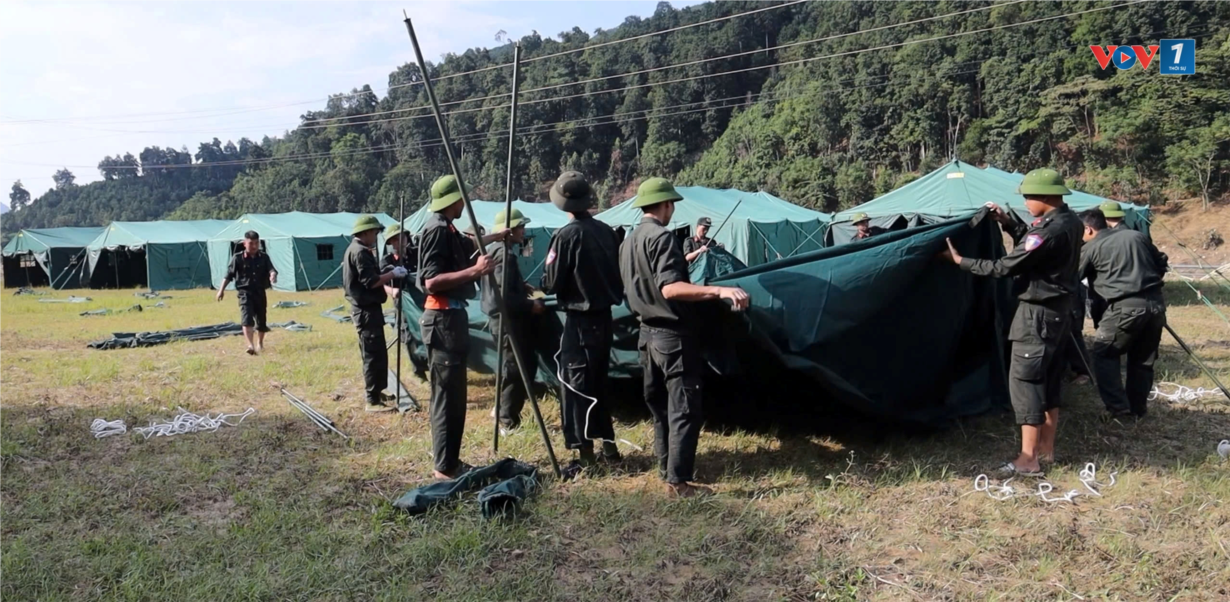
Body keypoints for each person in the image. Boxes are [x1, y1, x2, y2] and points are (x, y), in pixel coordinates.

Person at [939, 168, 1083, 478]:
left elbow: (1006, 266)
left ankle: (1027, 459)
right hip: (1059, 312)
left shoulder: (1048, 231)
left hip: (1038, 315)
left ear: (1044, 197)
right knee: (1049, 379)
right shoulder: (1070, 222)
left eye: (1028, 198)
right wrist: (1008, 222)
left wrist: (960, 262)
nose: (1026, 203)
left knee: (1026, 382)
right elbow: (1033, 250)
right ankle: (1046, 449)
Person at [619, 177, 751, 497]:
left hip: (646, 337)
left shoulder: (628, 241)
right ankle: (677, 484)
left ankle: (666, 467)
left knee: (661, 408)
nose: (672, 210)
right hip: (672, 337)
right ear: (666, 205)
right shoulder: (662, 239)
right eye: (672, 205)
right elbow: (671, 287)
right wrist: (718, 290)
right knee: (684, 408)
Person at [418, 175, 505, 479]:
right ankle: (444, 468)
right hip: (442, 320)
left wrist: (497, 236)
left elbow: (467, 243)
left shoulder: (449, 229)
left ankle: (451, 462)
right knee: (446, 399)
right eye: (462, 198)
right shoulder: (436, 229)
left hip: (452, 320)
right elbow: (431, 281)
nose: (465, 203)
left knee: (455, 398)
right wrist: (476, 270)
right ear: (454, 200)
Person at [542, 172, 625, 466]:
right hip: (605, 319)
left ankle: (585, 454)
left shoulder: (565, 236)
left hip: (579, 321)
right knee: (600, 383)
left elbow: (551, 281)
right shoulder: (607, 231)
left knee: (576, 387)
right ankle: (610, 448)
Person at [1079, 208, 1168, 418]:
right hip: (1156, 303)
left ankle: (1119, 409)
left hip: (1125, 306)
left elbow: (1070, 277)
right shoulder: (1137, 236)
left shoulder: (1091, 247)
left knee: (1103, 351)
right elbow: (1161, 261)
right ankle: (1138, 409)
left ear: (1088, 229)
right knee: (1142, 359)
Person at [482, 207, 543, 432]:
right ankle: (507, 420)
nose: (523, 231)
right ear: (509, 230)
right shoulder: (504, 253)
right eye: (520, 227)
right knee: (516, 370)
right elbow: (504, 297)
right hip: (508, 321)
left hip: (502, 320)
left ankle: (501, 409)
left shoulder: (497, 250)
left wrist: (520, 285)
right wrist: (531, 304)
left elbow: (504, 286)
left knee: (512, 368)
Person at [343, 215, 404, 413]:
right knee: (372, 355)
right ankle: (372, 399)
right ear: (367, 232)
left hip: (370, 309)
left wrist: (386, 271)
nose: (376, 236)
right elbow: (370, 281)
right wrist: (392, 274)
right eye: (375, 233)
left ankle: (377, 391)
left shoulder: (357, 249)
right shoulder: (360, 251)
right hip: (365, 310)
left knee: (379, 352)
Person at [217, 230, 277, 355]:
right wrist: (221, 290)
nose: (254, 246)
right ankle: (250, 345)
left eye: (256, 243)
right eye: (251, 243)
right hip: (245, 293)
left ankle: (260, 343)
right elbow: (228, 275)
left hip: (260, 292)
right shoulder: (238, 258)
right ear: (244, 243)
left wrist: (273, 275)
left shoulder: (264, 257)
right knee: (246, 318)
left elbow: (272, 269)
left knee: (261, 320)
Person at [381, 223, 428, 381]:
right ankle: (419, 370)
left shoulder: (416, 254)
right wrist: (392, 291)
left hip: (422, 300)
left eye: (402, 238)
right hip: (403, 303)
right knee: (408, 335)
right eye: (395, 240)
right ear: (390, 243)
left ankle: (429, 363)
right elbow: (380, 283)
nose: (399, 242)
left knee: (427, 331)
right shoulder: (387, 262)